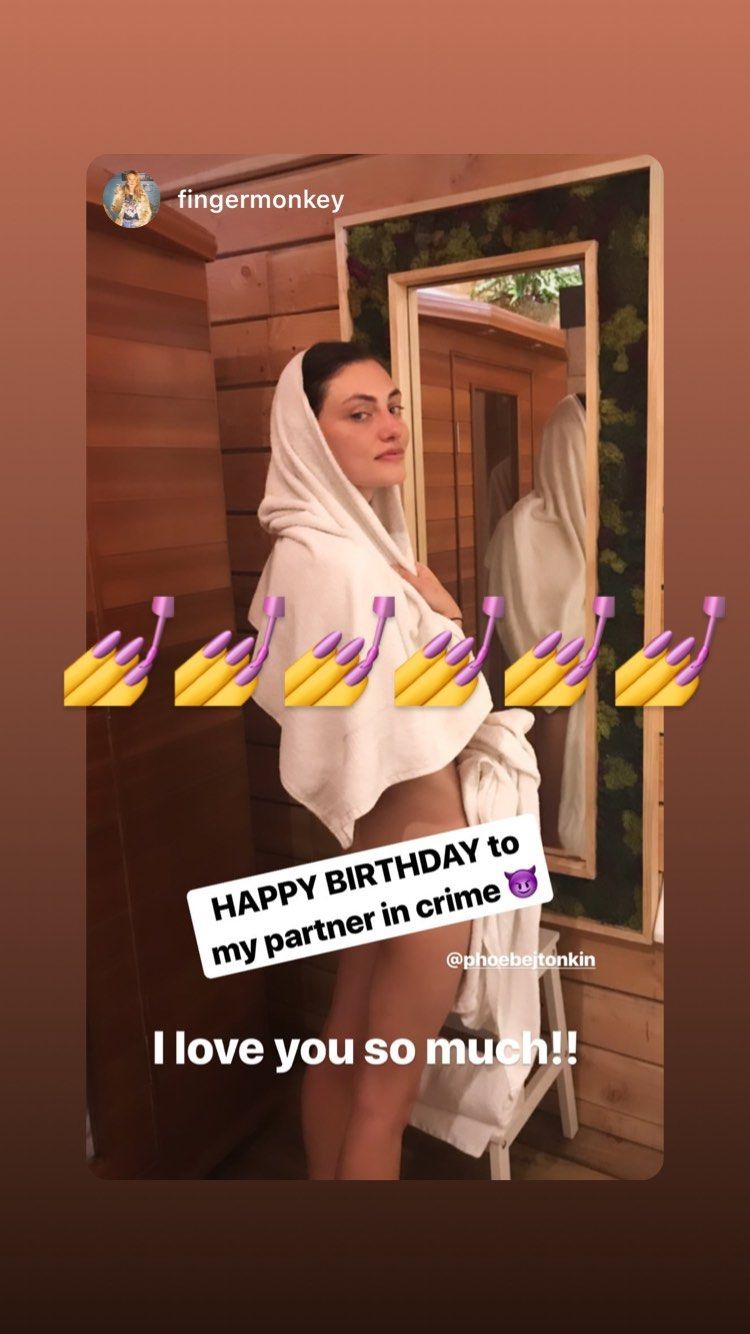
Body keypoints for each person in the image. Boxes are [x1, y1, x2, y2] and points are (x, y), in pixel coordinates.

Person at [248, 342, 539, 1179]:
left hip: (371, 858)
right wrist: (446, 619)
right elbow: (432, 713)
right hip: (424, 861)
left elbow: (357, 720)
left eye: (394, 405)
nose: (391, 426)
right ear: (308, 434)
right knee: (385, 1103)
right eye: (359, 412)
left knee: (343, 1052)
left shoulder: (308, 549)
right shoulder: (346, 568)